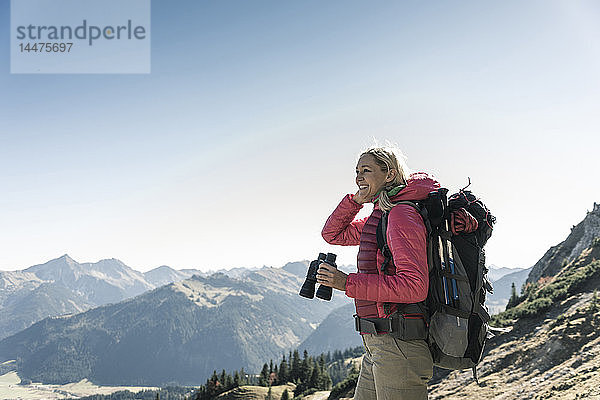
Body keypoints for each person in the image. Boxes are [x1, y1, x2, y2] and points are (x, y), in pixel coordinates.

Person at [316, 146, 439, 400]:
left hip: (398, 345)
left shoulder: (401, 215)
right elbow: (332, 234)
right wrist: (355, 201)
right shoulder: (380, 217)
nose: (359, 177)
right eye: (357, 171)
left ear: (389, 174)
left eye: (367, 171)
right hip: (379, 345)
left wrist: (346, 282)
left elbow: (414, 286)